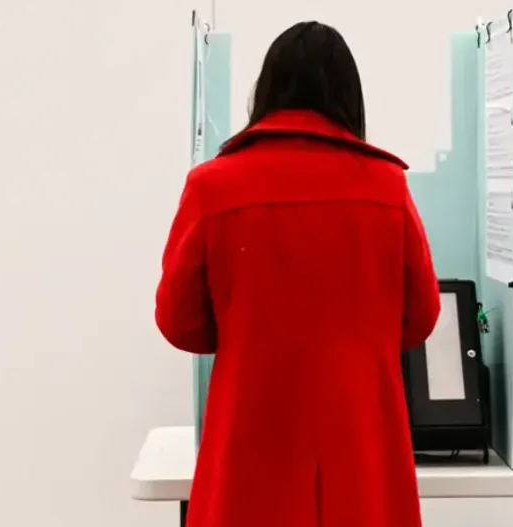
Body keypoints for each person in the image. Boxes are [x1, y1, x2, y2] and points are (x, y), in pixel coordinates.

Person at [155, 20, 440, 527]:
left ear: (265, 90)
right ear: (349, 98)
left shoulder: (212, 186)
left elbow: (180, 323)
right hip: (361, 444)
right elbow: (420, 318)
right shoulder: (386, 187)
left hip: (250, 440)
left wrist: (245, 332)